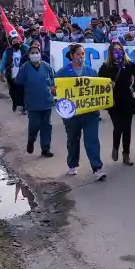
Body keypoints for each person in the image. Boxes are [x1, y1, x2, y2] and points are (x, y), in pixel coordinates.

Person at [56, 44, 106, 180]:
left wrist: (107, 87)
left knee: (92, 140)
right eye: (78, 54)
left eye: (83, 54)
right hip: (72, 115)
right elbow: (55, 91)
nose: (81, 57)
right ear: (72, 56)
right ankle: (72, 165)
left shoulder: (91, 72)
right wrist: (54, 90)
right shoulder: (62, 73)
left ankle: (97, 168)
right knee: (73, 140)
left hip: (90, 114)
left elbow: (98, 90)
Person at [98, 41, 135, 166]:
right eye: (115, 50)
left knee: (127, 128)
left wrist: (134, 88)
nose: (118, 52)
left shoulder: (129, 65)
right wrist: (107, 83)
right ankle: (115, 146)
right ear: (111, 52)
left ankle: (126, 155)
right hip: (113, 102)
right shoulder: (106, 67)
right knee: (118, 126)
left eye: (120, 49)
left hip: (127, 100)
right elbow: (99, 80)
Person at [14, 42, 56, 157]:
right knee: (34, 126)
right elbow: (18, 81)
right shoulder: (25, 67)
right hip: (32, 102)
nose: (35, 54)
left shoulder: (47, 66)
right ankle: (31, 140)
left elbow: (54, 79)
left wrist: (54, 89)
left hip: (47, 101)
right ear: (29, 55)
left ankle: (45, 148)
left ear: (40, 54)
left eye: (37, 52)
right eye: (32, 53)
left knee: (46, 126)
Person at [0, 31, 30, 113]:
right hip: (11, 74)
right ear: (11, 43)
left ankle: (23, 106)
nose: (16, 43)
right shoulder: (8, 51)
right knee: (12, 91)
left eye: (17, 41)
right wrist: (0, 71)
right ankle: (14, 103)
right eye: (14, 42)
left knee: (22, 91)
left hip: (21, 74)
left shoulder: (23, 49)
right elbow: (3, 62)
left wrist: (23, 44)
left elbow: (30, 49)